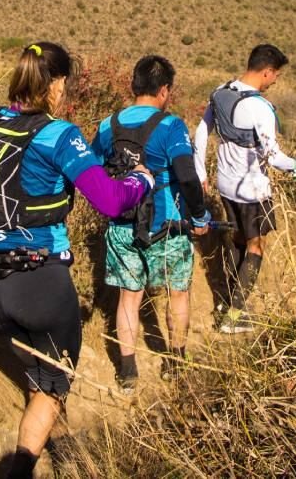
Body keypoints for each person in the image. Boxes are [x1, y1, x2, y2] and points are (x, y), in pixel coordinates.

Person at [0, 41, 153, 478]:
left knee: (38, 374)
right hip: (40, 280)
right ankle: (23, 469)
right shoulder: (59, 134)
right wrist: (140, 182)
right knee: (52, 388)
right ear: (57, 83)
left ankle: (60, 448)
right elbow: (108, 201)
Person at [89, 55, 209, 392]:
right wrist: (199, 216)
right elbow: (186, 175)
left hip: (122, 226)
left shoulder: (107, 126)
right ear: (165, 90)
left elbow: (93, 172)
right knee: (177, 293)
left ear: (133, 85)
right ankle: (175, 362)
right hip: (166, 227)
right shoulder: (171, 126)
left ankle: (127, 373)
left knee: (129, 297)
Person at [193, 43, 296, 334]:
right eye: (275, 75)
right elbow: (273, 156)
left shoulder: (221, 92)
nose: (275, 80)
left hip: (225, 184)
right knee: (256, 245)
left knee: (238, 239)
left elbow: (203, 130)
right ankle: (234, 316)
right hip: (252, 189)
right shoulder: (259, 107)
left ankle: (227, 302)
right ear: (266, 72)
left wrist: (201, 170)